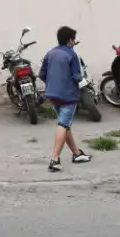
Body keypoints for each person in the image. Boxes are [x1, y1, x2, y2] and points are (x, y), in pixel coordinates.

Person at [39, 25, 93, 172]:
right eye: (74, 39)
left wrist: (53, 84)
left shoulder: (50, 53)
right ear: (70, 40)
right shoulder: (72, 55)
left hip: (53, 94)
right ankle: (55, 159)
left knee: (65, 123)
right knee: (63, 124)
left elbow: (42, 74)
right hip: (68, 96)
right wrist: (85, 84)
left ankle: (76, 154)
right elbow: (77, 76)